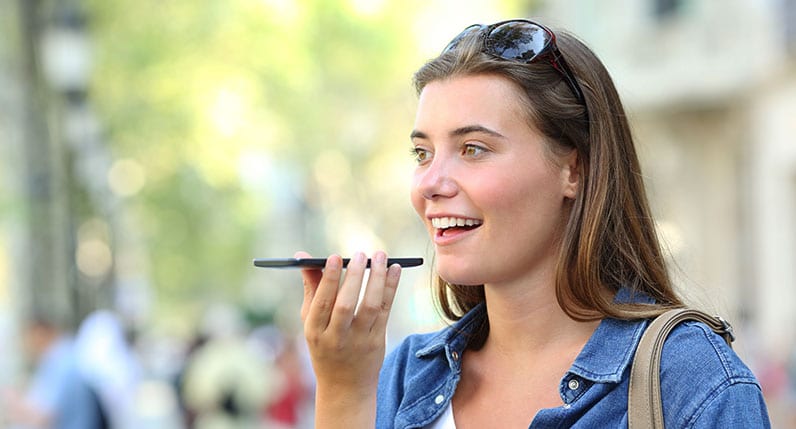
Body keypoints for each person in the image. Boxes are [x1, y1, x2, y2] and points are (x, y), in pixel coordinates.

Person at [295, 19, 771, 428]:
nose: (429, 184)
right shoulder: (400, 377)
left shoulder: (693, 382)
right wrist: (341, 394)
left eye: (473, 149)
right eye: (422, 153)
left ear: (574, 170)